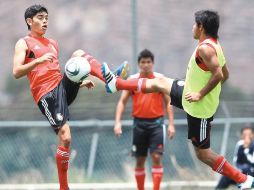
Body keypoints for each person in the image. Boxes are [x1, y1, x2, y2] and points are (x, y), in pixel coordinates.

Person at [101, 10, 254, 189]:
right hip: (190, 94)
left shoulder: (205, 48)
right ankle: (117, 84)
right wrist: (201, 88)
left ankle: (244, 180)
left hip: (199, 107)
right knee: (158, 82)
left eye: (194, 24)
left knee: (203, 155)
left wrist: (201, 94)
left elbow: (219, 74)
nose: (192, 27)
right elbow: (225, 74)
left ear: (201, 27)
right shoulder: (214, 45)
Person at [12, 5, 128, 190]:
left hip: (60, 88)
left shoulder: (52, 44)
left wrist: (79, 83)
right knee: (65, 138)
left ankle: (109, 79)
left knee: (78, 54)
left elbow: (56, 75)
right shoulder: (23, 43)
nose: (45, 21)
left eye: (46, 18)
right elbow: (16, 71)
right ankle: (64, 187)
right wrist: (37, 61)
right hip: (46, 95)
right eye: (40, 18)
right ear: (29, 21)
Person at [114, 49, 175, 190]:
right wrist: (117, 122)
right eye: (143, 62)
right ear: (139, 64)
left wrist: (171, 124)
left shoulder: (159, 79)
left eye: (148, 62)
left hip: (157, 125)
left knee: (156, 157)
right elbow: (122, 101)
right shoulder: (132, 81)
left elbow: (168, 102)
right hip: (139, 125)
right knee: (140, 160)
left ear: (153, 63)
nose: (146, 65)